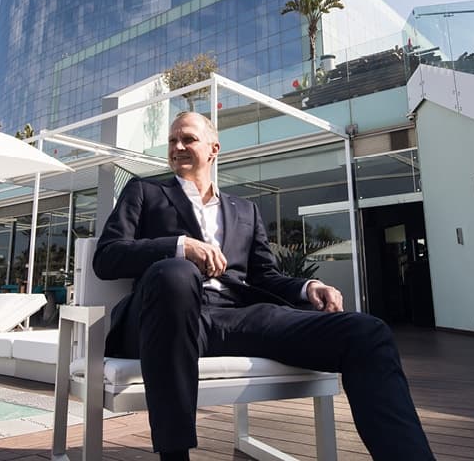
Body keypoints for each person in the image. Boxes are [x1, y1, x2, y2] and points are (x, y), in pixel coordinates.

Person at [94, 111, 436, 461]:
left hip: (237, 317)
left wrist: (307, 287)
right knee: (176, 272)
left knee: (368, 333)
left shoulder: (246, 210)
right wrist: (180, 247)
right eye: (172, 140)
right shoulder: (145, 192)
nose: (177, 146)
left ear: (213, 149)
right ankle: (174, 456)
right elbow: (106, 257)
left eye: (188, 139)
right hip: (167, 320)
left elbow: (265, 277)